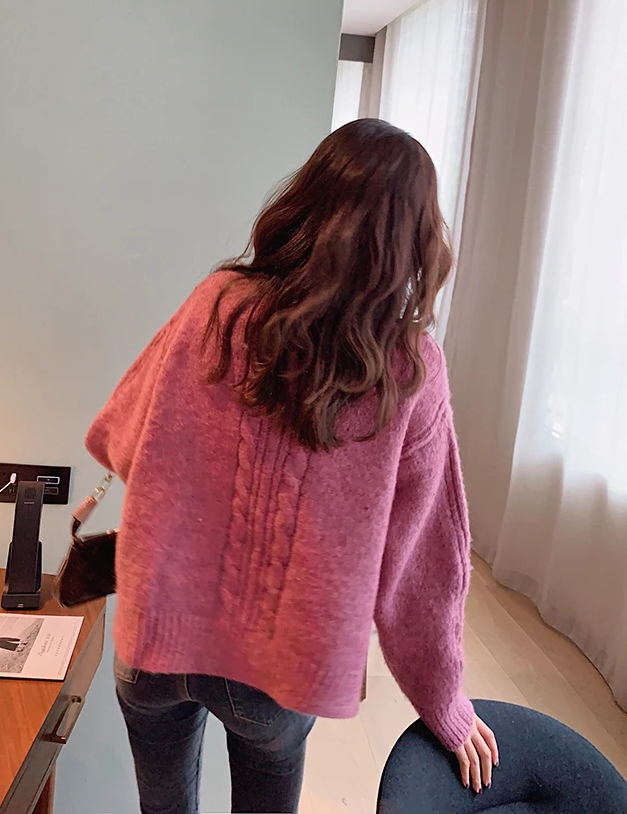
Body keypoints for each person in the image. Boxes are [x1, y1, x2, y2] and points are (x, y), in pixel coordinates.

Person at [86, 118, 498, 814]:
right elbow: (421, 569)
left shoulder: (216, 304)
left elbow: (125, 440)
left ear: (306, 202)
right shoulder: (409, 371)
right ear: (416, 239)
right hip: (275, 675)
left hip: (154, 638)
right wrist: (445, 703)